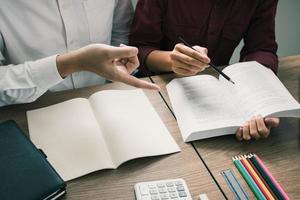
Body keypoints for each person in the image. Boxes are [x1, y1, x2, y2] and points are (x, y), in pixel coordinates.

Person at [129, 0, 280, 141]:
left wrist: (259, 100)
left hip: (219, 99)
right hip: (158, 90)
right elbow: (139, 49)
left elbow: (261, 48)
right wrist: (171, 61)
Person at [0, 0, 159, 107]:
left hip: (107, 99)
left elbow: (120, 31)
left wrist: (118, 62)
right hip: (27, 111)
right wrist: (68, 64)